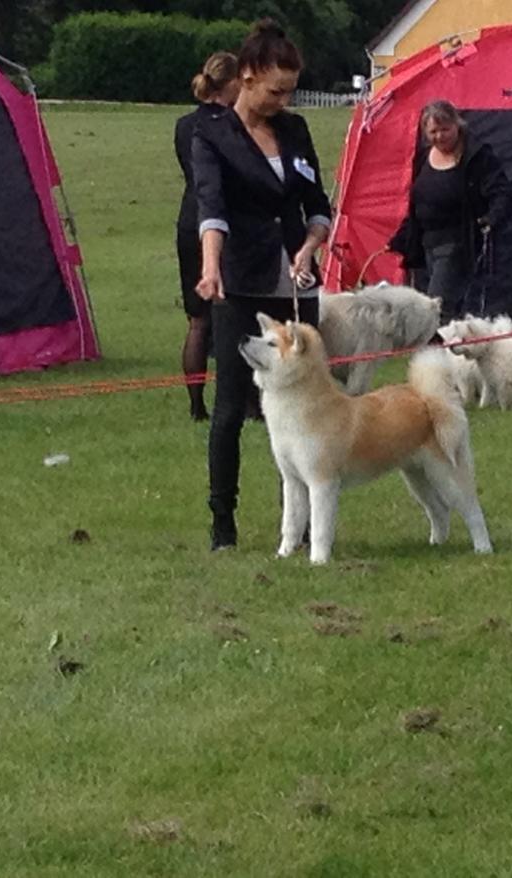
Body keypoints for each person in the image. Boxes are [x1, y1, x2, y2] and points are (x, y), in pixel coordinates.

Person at [193, 19, 331, 551]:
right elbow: (213, 209)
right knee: (232, 406)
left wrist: (311, 244)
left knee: (306, 407)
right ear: (247, 77)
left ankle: (296, 528)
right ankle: (222, 520)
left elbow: (317, 205)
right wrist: (211, 268)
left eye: (290, 91)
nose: (283, 100)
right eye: (275, 90)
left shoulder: (295, 131)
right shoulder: (212, 135)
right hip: (241, 285)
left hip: (296, 283)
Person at [388, 100, 512, 322]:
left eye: (445, 129)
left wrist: (490, 219)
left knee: (435, 309)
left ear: (457, 125)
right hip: (425, 245)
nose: (439, 136)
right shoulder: (422, 157)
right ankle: (453, 352)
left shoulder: (477, 155)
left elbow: (503, 194)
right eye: (433, 131)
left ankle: (434, 353)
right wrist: (400, 238)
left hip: (457, 245)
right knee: (443, 309)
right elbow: (416, 204)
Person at [174, 52, 240, 422]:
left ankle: (196, 404)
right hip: (223, 222)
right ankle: (240, 399)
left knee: (197, 320)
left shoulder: (185, 125)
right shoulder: (234, 123)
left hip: (188, 220)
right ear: (230, 83)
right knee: (234, 315)